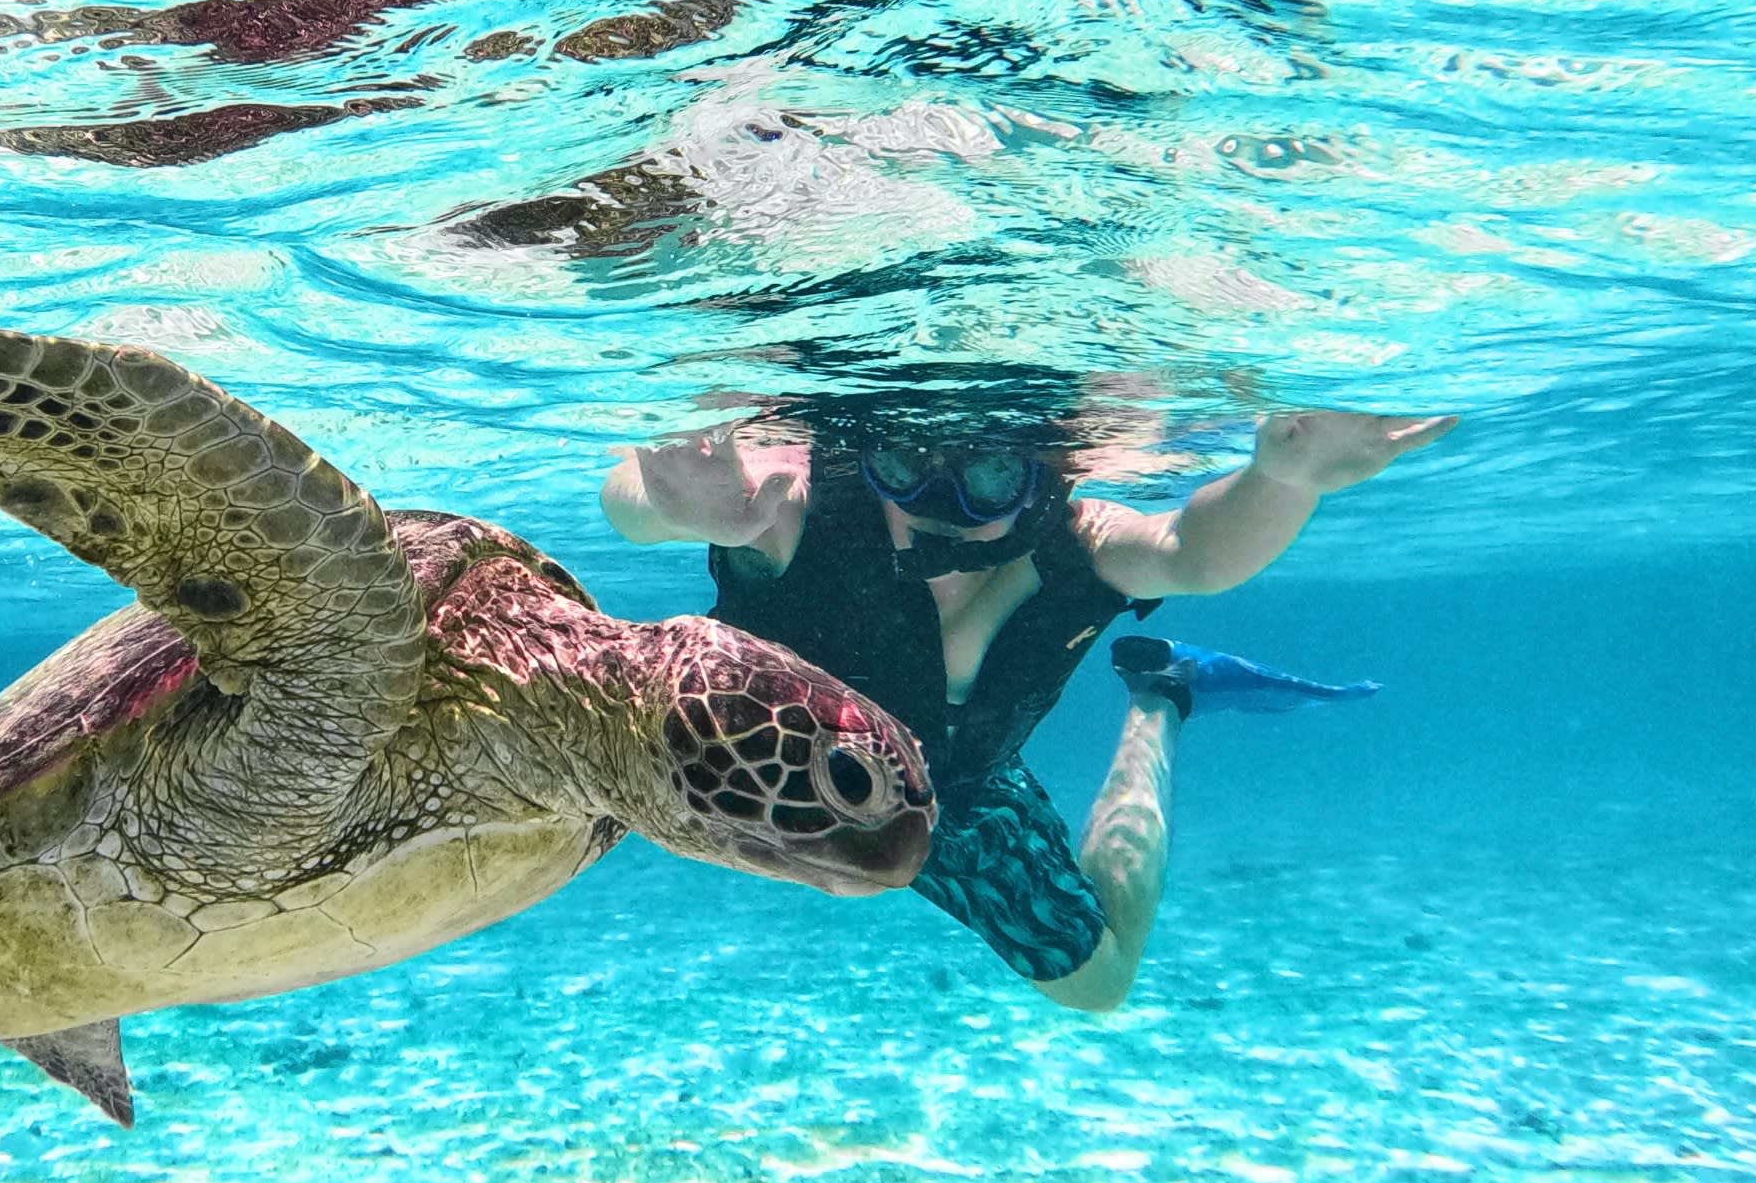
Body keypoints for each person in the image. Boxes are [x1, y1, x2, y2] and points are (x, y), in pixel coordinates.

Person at [602, 402, 1454, 1011]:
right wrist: (668, 509)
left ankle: (1163, 696)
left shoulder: (1083, 546)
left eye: (990, 475)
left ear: (1045, 479)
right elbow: (628, 498)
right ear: (867, 456)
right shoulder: (786, 511)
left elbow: (1193, 550)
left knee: (1101, 985)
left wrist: (1283, 479)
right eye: (902, 465)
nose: (939, 507)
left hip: (953, 795)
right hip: (751, 764)